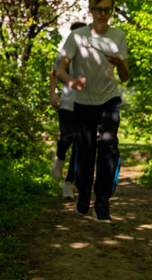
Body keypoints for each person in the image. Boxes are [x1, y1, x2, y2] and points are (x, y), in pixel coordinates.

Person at [55, 0, 129, 223]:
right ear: (91, 10)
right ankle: (84, 193)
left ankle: (102, 201)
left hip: (109, 99)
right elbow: (59, 70)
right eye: (99, 9)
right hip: (83, 102)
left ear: (112, 11)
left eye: (107, 10)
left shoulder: (118, 36)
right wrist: (71, 82)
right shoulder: (77, 36)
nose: (103, 14)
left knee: (108, 144)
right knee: (85, 152)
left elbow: (125, 76)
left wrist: (119, 63)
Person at [50, 22, 87, 199]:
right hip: (66, 104)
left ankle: (69, 183)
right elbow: (54, 74)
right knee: (66, 137)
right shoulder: (62, 56)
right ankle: (59, 158)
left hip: (86, 105)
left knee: (80, 144)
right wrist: (52, 94)